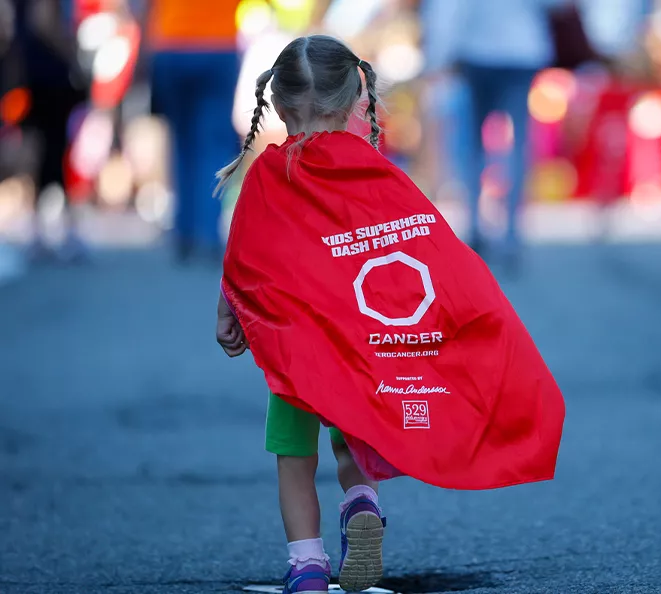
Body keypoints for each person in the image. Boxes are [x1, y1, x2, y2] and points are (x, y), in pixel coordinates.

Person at [215, 35, 564, 594]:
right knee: (356, 425)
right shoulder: (376, 173)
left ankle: (307, 565)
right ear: (358, 98)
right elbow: (429, 248)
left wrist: (226, 310)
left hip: (291, 350)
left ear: (277, 108)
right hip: (358, 350)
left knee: (292, 455)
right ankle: (361, 507)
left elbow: (247, 255)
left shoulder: (268, 177)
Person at [421, 0, 561, 264]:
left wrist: (437, 57)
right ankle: (511, 230)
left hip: (478, 51)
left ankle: (475, 222)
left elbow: (450, 9)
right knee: (518, 144)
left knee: (473, 142)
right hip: (521, 50)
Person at [146, 0, 240, 262]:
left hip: (170, 43)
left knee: (181, 141)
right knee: (215, 143)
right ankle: (209, 233)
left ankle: (184, 231)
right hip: (218, 45)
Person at [14, 0, 88, 262]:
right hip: (50, 76)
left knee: (44, 152)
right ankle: (62, 232)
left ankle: (40, 232)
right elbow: (43, 21)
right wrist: (72, 55)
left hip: (36, 73)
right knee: (54, 153)